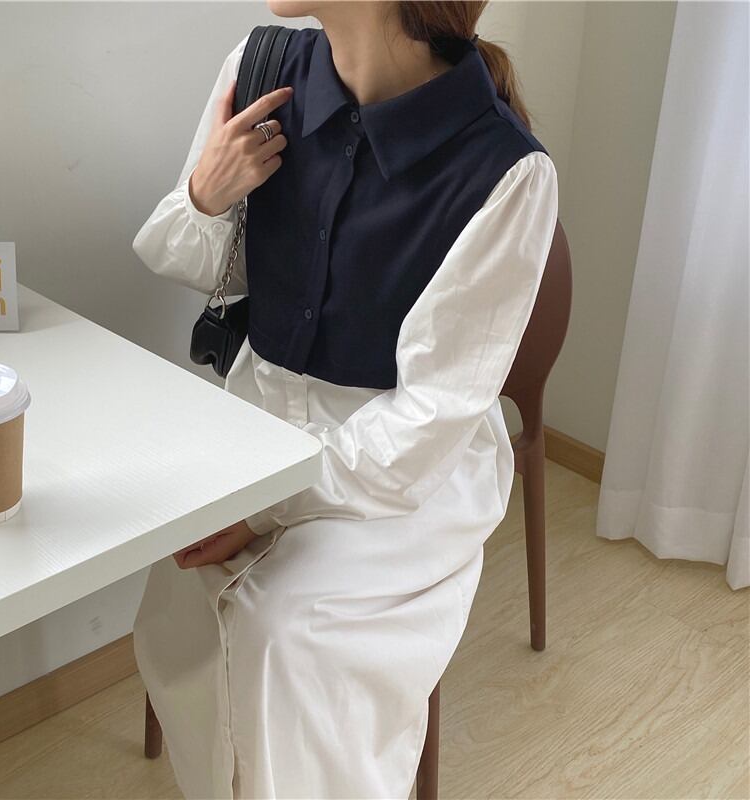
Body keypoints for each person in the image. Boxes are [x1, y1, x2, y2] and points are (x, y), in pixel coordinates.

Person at [131, 1, 558, 797]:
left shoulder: (508, 173)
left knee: (287, 640)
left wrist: (263, 507)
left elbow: (430, 420)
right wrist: (206, 192)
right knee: (179, 607)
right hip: (259, 426)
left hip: (401, 471)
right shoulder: (259, 70)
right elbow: (184, 259)